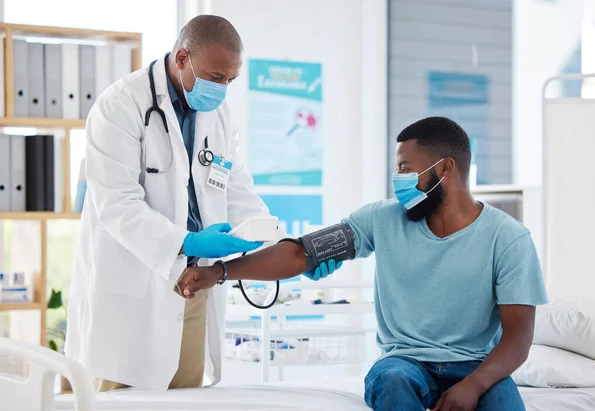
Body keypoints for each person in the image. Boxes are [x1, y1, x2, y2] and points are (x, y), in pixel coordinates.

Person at [175, 117, 548, 411]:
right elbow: (299, 253)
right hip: (405, 363)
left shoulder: (509, 239)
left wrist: (473, 386)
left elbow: (518, 339)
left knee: (502, 402)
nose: (398, 180)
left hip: (477, 366)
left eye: (405, 168)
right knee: (393, 382)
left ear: (445, 168)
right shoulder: (382, 219)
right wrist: (217, 272)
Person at [65, 15, 338, 392]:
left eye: (230, 79)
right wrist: (188, 241)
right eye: (215, 77)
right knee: (120, 399)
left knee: (184, 398)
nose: (223, 88)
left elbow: (238, 191)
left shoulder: (219, 115)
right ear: (181, 58)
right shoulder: (121, 106)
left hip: (192, 288)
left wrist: (290, 251)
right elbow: (117, 205)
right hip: (130, 291)